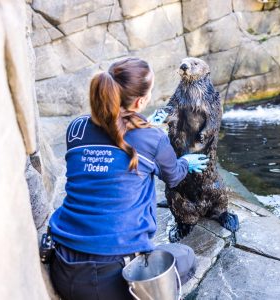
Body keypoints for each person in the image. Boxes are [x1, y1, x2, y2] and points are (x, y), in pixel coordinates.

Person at [48, 57, 209, 300]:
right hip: (117, 279)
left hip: (62, 267)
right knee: (185, 257)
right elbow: (174, 176)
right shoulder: (152, 139)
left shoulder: (76, 128)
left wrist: (142, 127)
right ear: (141, 101)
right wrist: (185, 161)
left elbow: (111, 133)